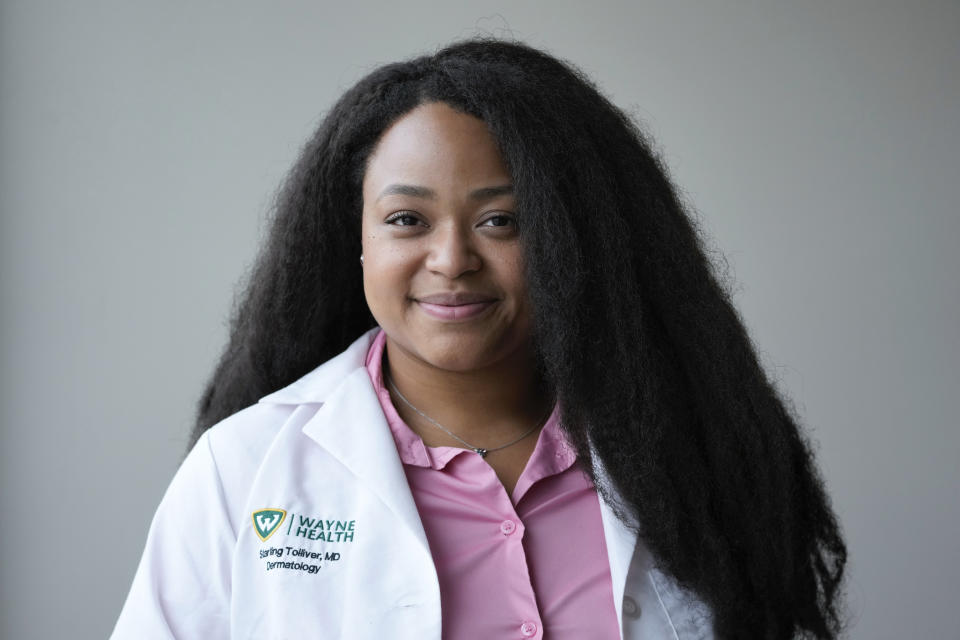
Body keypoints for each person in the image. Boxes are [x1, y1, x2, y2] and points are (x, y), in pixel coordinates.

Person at [111, 38, 847, 639]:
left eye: (503, 221)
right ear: (355, 241)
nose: (453, 259)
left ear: (568, 240)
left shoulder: (690, 451)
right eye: (407, 220)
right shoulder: (242, 470)